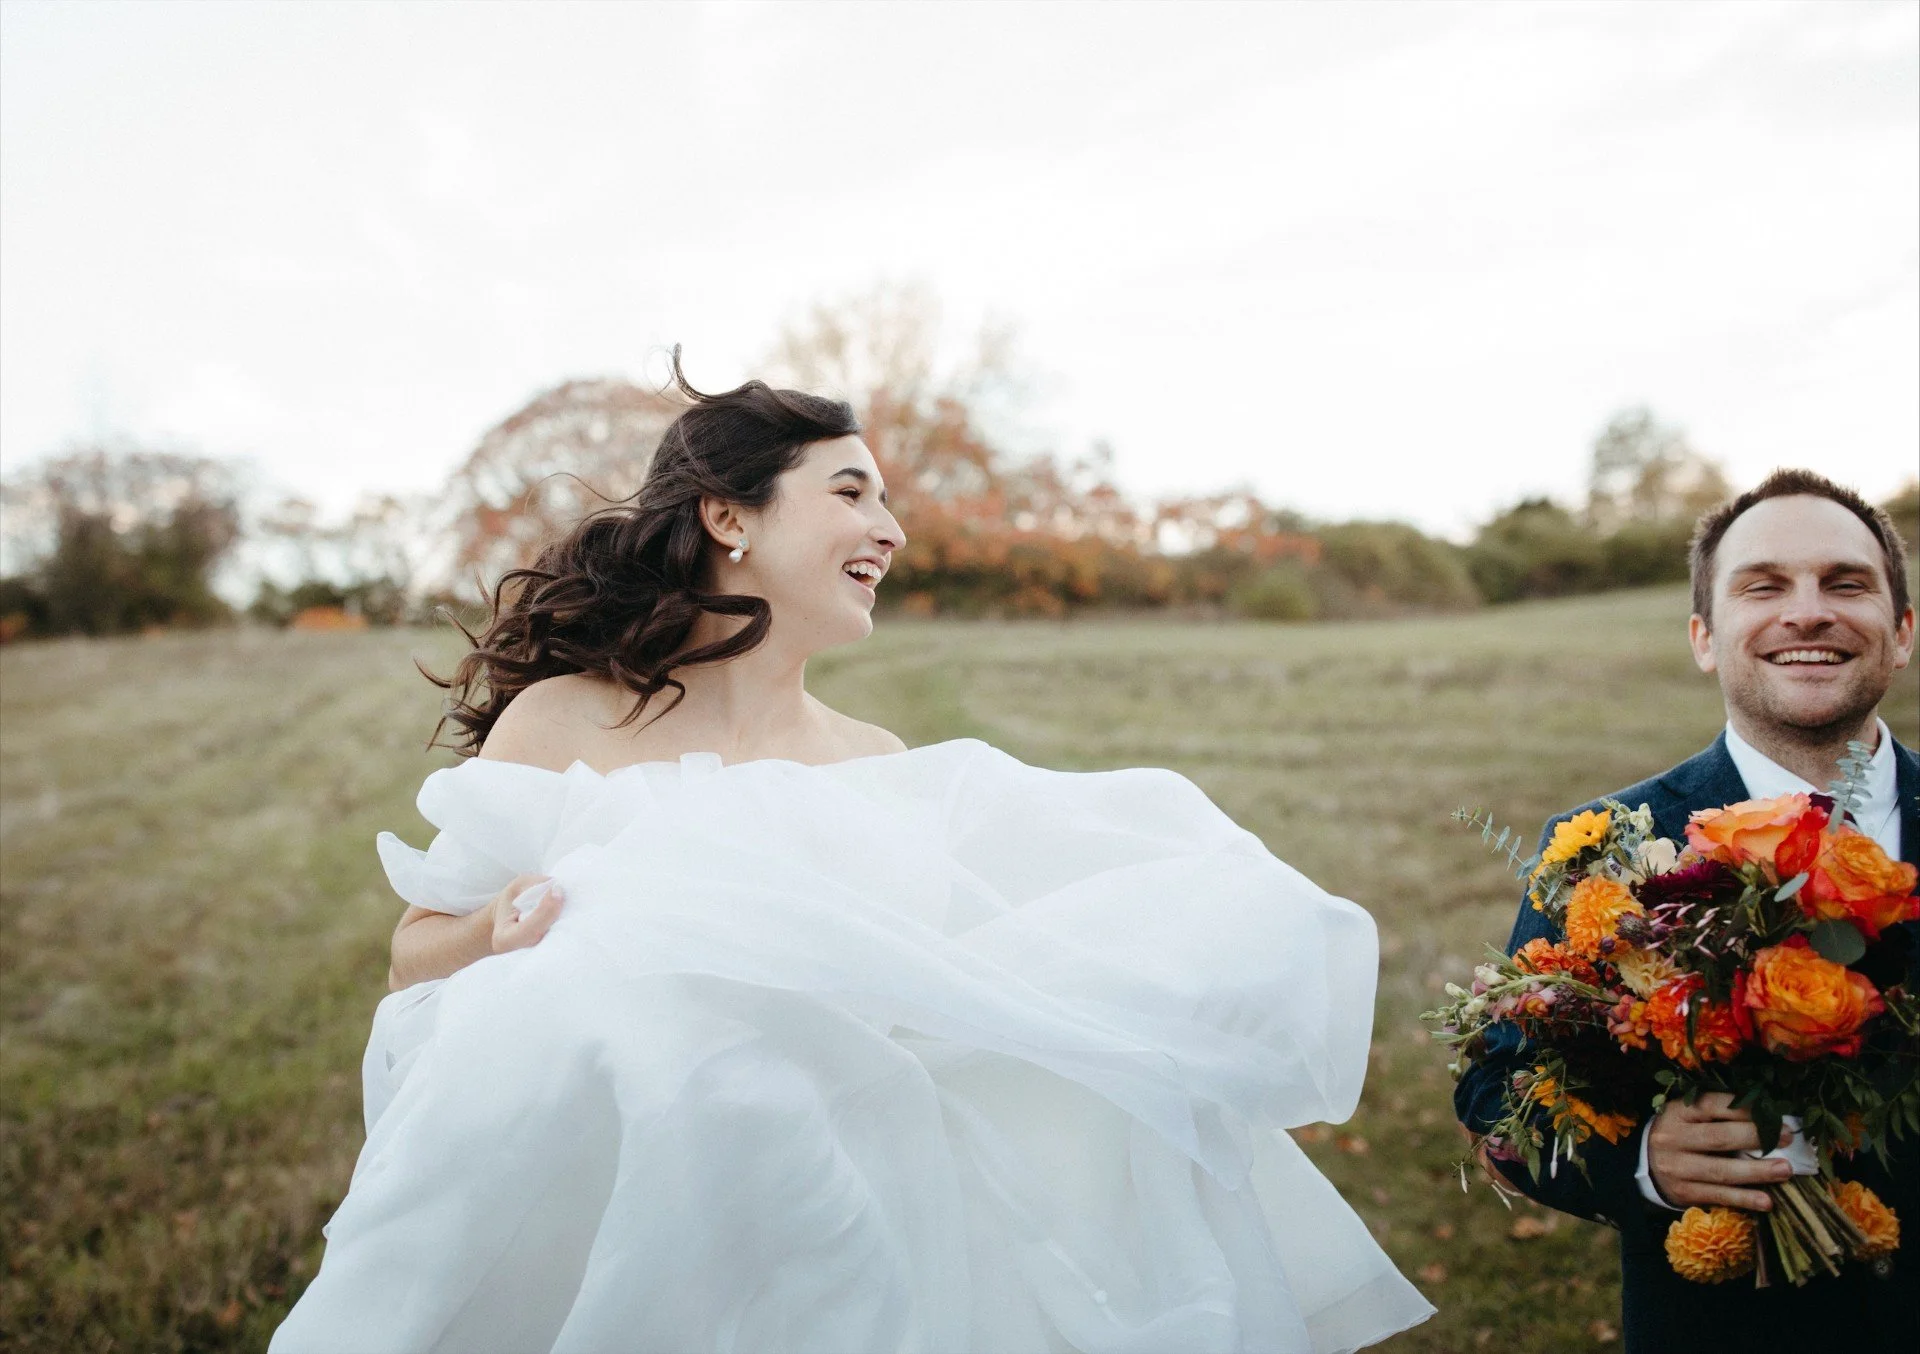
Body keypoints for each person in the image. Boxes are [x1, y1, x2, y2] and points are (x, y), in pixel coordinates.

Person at [271, 355, 1433, 1354]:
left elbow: (949, 996)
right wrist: (498, 929)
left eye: (888, 500)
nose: (893, 529)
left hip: (857, 1239)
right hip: (635, 1236)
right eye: (851, 491)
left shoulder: (877, 763)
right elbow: (412, 959)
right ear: (730, 515)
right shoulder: (567, 722)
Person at [1454, 469, 1918, 1351]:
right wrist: (1640, 1164)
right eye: (1765, 586)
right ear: (1706, 638)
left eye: (1846, 583)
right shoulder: (1598, 858)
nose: (1810, 612)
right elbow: (1493, 1099)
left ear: (1902, 633)